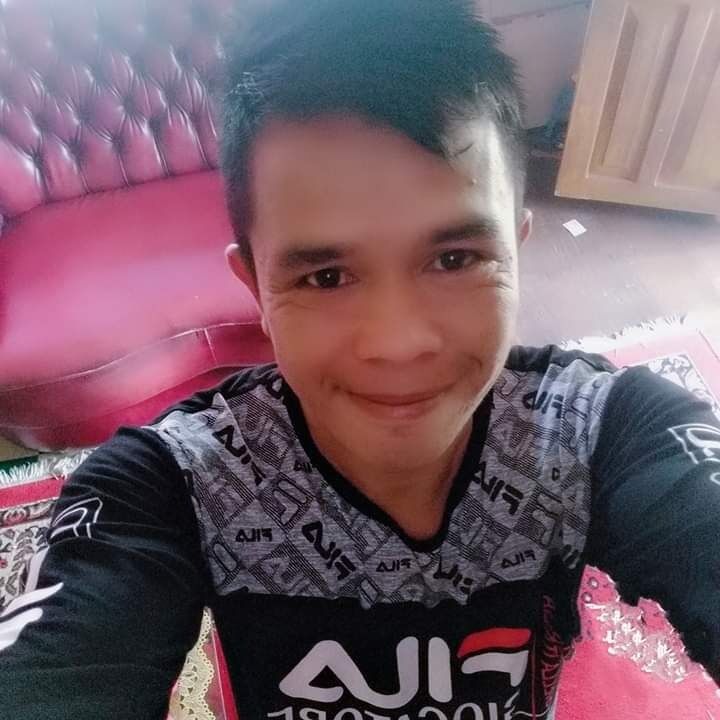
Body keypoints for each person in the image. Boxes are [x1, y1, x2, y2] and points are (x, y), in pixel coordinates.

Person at [1, 1, 718, 718]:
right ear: (255, 287)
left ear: (516, 249)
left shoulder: (608, 430)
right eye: (326, 277)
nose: (397, 343)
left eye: (455, 259)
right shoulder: (170, 481)